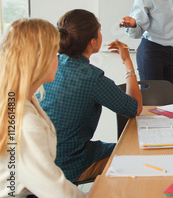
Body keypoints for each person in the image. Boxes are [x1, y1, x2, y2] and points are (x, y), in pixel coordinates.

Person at [39, 9, 143, 183]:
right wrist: (127, 61)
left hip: (42, 160)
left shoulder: (48, 65)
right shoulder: (92, 78)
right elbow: (135, 108)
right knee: (131, 151)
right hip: (69, 164)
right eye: (100, 30)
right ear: (93, 42)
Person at [0, 19, 85, 198]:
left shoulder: (19, 100)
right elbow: (54, 190)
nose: (59, 59)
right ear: (39, 59)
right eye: (55, 53)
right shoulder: (25, 122)